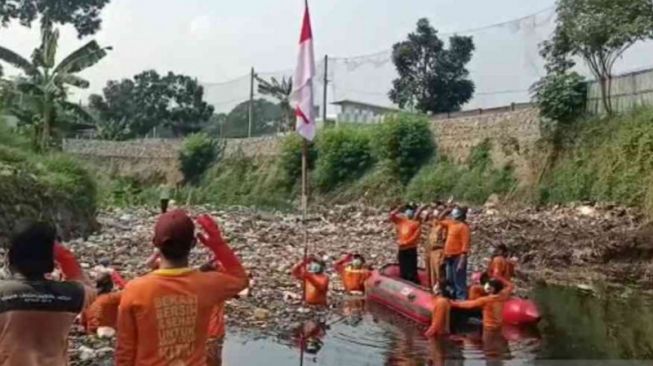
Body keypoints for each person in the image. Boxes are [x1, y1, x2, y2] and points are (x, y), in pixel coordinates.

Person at [115, 210, 249, 366]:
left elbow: (125, 351)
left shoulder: (135, 289)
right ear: (193, 243)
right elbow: (240, 279)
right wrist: (218, 244)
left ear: (155, 243)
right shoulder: (207, 284)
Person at [0, 221, 96, 365]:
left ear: (12, 260)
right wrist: (61, 253)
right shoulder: (72, 294)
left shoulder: (3, 292)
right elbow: (88, 286)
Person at [450, 277, 514, 331]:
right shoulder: (504, 295)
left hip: (489, 328)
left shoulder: (485, 300)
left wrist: (454, 303)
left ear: (491, 289)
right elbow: (510, 286)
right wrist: (500, 278)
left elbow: (469, 305)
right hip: (500, 328)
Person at [438, 206, 471, 300]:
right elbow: (439, 219)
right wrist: (446, 210)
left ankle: (461, 299)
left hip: (458, 256)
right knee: (450, 279)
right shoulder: (451, 224)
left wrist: (462, 260)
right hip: (449, 256)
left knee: (459, 280)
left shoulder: (464, 227)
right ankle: (452, 296)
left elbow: (465, 245)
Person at [390, 204, 426, 284]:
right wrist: (399, 208)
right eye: (407, 210)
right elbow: (392, 215)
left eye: (410, 210)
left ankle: (413, 282)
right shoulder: (401, 221)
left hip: (410, 249)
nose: (408, 211)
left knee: (411, 268)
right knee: (403, 267)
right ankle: (404, 281)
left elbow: (415, 237)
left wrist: (405, 243)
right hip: (402, 249)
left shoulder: (416, 224)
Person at [81, 272, 122, 336]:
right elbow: (130, 291)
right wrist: (118, 279)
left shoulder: (89, 297)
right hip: (108, 332)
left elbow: (83, 321)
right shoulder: (113, 298)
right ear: (110, 285)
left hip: (92, 333)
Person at [425, 203, 446, 289]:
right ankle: (432, 289)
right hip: (431, 251)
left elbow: (445, 241)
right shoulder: (434, 224)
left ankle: (441, 290)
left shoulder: (444, 226)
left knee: (439, 273)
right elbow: (425, 219)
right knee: (431, 273)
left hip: (439, 251)